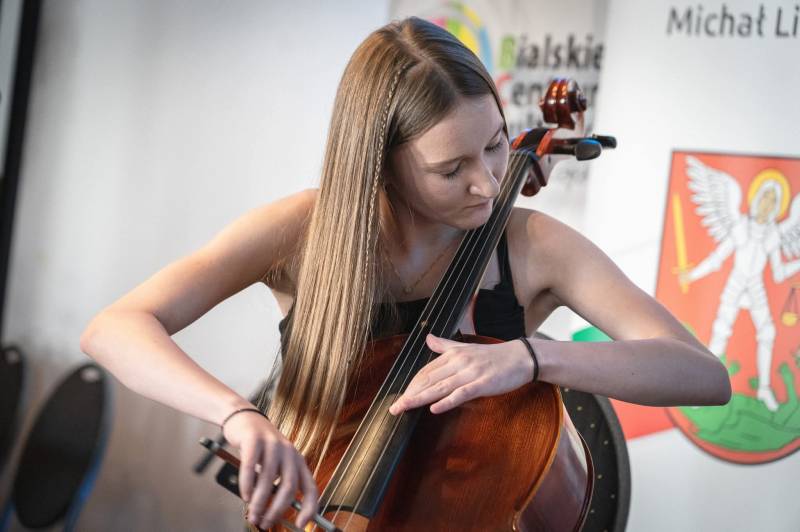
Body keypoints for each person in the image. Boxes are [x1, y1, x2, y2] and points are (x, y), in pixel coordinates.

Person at [80, 16, 731, 531]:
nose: (488, 184)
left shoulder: (532, 245)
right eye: (451, 170)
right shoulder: (305, 231)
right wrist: (235, 416)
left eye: (495, 145)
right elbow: (115, 328)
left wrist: (532, 358)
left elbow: (703, 374)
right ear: (381, 165)